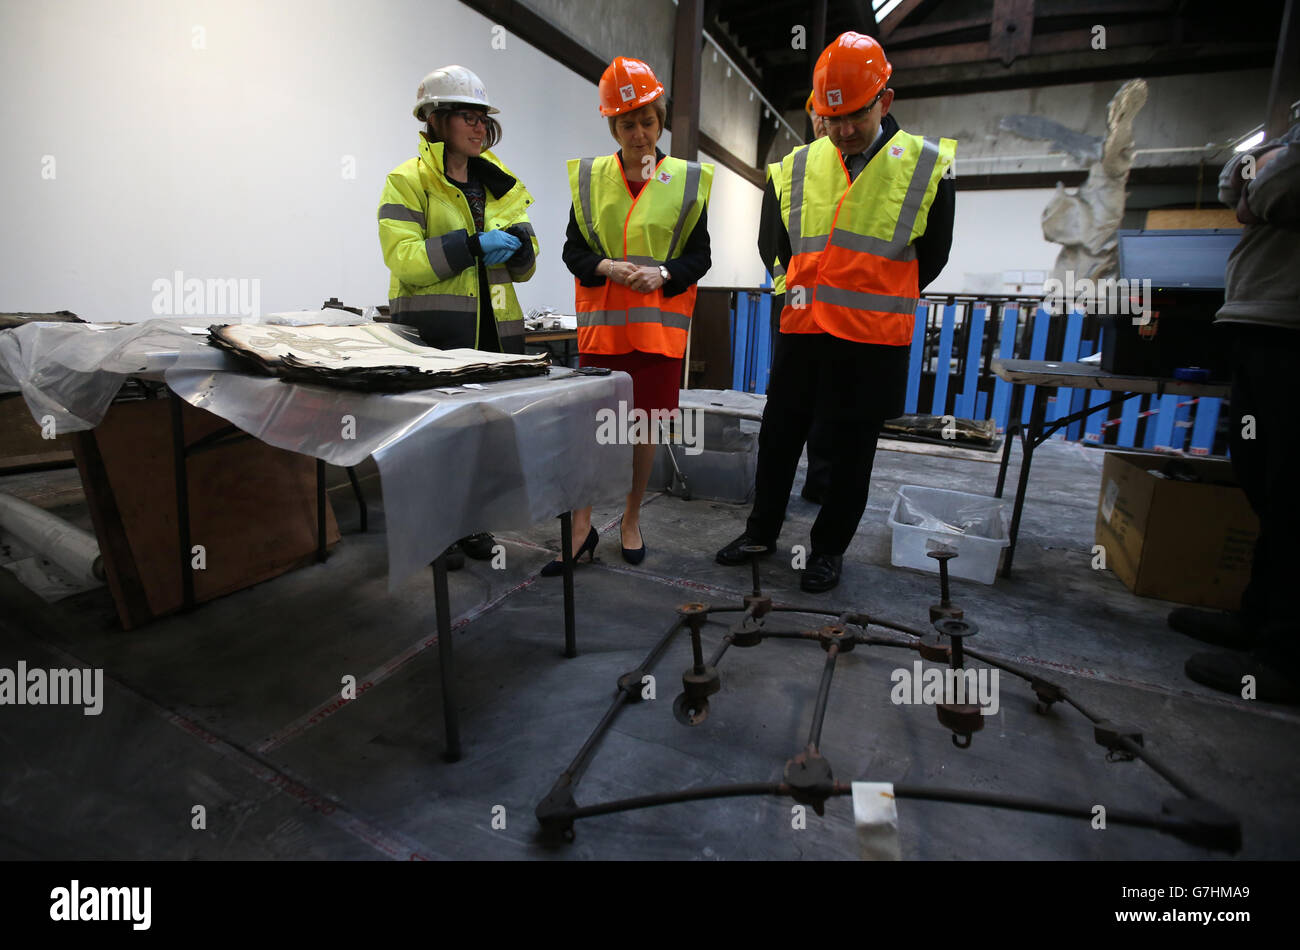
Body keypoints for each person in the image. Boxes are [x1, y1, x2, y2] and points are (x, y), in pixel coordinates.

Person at [717, 32, 956, 593]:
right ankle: (760, 532)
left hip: (871, 338)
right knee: (780, 438)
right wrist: (793, 293)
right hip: (803, 332)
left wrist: (873, 293)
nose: (843, 128)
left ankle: (827, 552)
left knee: (851, 453)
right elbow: (773, 244)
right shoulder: (799, 164)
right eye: (832, 115)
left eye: (856, 114)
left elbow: (934, 256)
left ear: (885, 101)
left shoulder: (925, 167)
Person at [542, 55, 713, 576]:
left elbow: (700, 257)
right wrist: (605, 266)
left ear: (661, 121)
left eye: (647, 121)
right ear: (611, 125)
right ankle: (581, 529)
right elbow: (572, 252)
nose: (638, 134)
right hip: (604, 334)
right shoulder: (592, 180)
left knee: (644, 431)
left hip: (658, 337)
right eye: (626, 123)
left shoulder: (685, 182)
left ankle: (632, 520)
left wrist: (664, 274)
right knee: (595, 432)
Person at [378, 64, 539, 564]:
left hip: (495, 337)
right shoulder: (408, 181)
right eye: (464, 116)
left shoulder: (501, 184)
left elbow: (527, 265)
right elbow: (402, 257)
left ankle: (471, 526)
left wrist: (516, 251)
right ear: (435, 119)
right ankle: (433, 534)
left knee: (480, 439)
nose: (477, 127)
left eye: (481, 117)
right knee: (436, 439)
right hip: (435, 338)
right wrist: (469, 244)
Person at [1174, 119, 1300, 704]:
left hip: (1289, 331)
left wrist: (1270, 170)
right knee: (1269, 490)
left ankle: (1287, 655)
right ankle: (1259, 622)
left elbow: (1274, 191)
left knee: (1291, 494)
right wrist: (1265, 169)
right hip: (1263, 321)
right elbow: (1238, 186)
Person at [767, 91, 833, 505]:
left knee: (834, 410)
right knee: (788, 411)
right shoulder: (792, 169)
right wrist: (788, 288)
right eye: (818, 116)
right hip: (795, 307)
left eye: (832, 115)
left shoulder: (866, 168)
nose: (824, 124)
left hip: (849, 313)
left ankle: (821, 483)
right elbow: (770, 243)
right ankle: (771, 504)